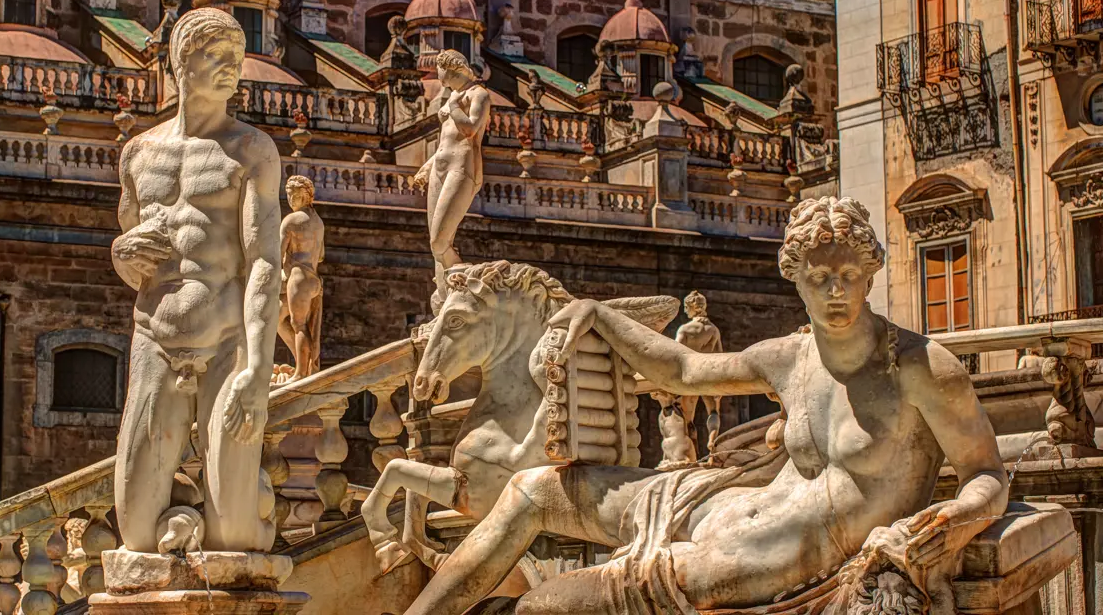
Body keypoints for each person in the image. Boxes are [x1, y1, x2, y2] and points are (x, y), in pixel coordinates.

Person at [402, 197, 1007, 615]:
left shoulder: (920, 368)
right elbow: (684, 371)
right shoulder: (790, 356)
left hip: (758, 559)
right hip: (719, 503)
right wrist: (600, 314)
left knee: (543, 606)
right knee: (530, 491)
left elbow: (987, 475)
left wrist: (954, 518)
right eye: (820, 277)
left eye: (849, 274)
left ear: (870, 275)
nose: (836, 290)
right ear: (795, 280)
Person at [111, 7, 282, 554]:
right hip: (154, 338)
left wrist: (258, 369)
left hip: (227, 342)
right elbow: (131, 257)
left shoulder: (251, 150)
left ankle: (245, 507)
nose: (233, 67)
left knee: (235, 537)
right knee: (136, 532)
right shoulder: (138, 154)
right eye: (217, 56)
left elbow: (264, 261)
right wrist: (121, 251)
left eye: (237, 57)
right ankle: (186, 517)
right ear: (181, 62)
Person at [412, 50, 490, 310]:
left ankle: (462, 285)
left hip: (462, 167)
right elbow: (445, 141)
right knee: (435, 245)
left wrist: (454, 107)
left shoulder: (478, 94)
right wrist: (428, 166)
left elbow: (470, 130)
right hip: (440, 167)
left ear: (451, 68)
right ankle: (445, 299)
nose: (440, 78)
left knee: (440, 240)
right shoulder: (453, 96)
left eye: (441, 72)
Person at [278, 175, 325, 379]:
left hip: (298, 277)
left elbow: (277, 253)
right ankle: (305, 364)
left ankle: (300, 373)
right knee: (279, 319)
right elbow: (321, 255)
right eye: (289, 195)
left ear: (306, 196)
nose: (291, 199)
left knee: (299, 324)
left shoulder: (291, 220)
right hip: (313, 278)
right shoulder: (318, 222)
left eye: (295, 195)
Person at [673, 290, 723, 456]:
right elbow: (720, 355)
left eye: (686, 307)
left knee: (688, 418)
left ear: (691, 307)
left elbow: (674, 353)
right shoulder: (713, 330)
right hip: (709, 374)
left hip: (690, 376)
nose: (685, 311)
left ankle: (692, 454)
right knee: (713, 412)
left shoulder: (685, 329)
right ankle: (712, 442)